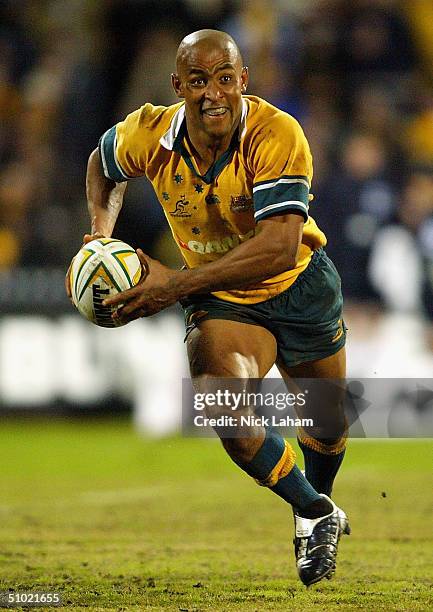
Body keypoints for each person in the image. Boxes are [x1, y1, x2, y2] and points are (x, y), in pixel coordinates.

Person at [66, 29, 350, 587]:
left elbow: (279, 246)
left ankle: (315, 507)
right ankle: (315, 514)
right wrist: (98, 238)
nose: (212, 93)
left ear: (243, 81)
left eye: (225, 78)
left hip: (300, 285)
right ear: (179, 87)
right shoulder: (148, 133)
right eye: (198, 81)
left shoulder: (277, 132)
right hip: (221, 301)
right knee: (222, 407)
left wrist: (174, 285)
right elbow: (102, 165)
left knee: (328, 428)